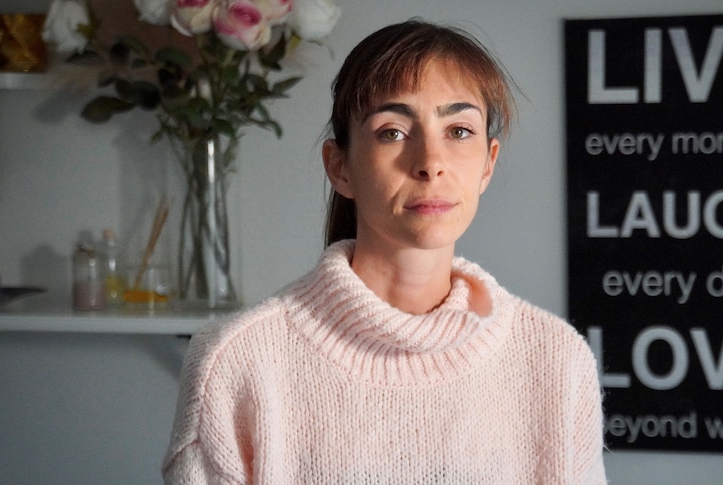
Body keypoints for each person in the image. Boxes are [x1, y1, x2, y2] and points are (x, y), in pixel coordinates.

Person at [162, 19, 606, 484]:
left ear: (488, 164)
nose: (431, 162)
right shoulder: (237, 362)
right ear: (340, 167)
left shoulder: (555, 361)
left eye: (458, 131)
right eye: (392, 132)